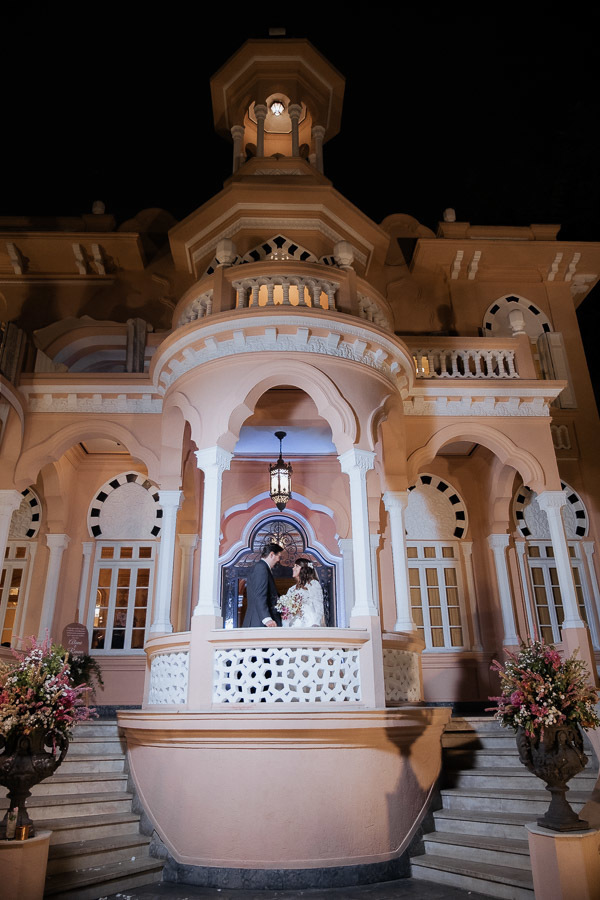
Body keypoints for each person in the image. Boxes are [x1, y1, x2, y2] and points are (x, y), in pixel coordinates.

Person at [242, 542, 283, 627]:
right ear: (272, 554)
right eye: (279, 556)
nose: (279, 560)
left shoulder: (263, 568)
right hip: (258, 621)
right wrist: (267, 619)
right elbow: (259, 595)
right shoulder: (261, 568)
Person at [279, 557, 325, 627]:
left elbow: (318, 605)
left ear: (304, 569)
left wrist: (316, 623)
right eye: (294, 566)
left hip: (309, 623)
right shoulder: (292, 589)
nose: (293, 568)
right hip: (294, 624)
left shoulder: (313, 584)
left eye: (296, 566)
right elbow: (287, 609)